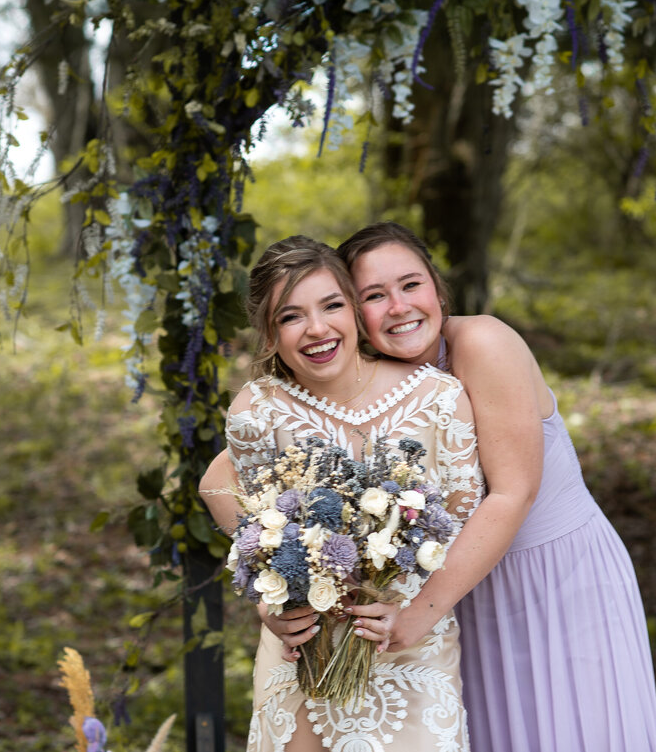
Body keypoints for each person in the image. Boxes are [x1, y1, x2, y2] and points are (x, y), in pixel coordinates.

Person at [199, 235, 483, 752]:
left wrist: (412, 608)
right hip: (304, 651)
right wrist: (269, 601)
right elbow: (235, 503)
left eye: (331, 305)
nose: (317, 329)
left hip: (410, 645)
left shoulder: (438, 398)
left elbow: (463, 524)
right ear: (269, 333)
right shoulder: (258, 411)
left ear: (354, 309)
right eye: (290, 316)